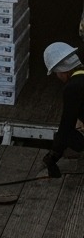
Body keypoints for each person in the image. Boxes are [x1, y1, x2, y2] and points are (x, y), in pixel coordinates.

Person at [41, 42, 84, 179]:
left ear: (61, 71)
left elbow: (66, 125)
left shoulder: (73, 87)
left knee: (70, 135)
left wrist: (53, 155)